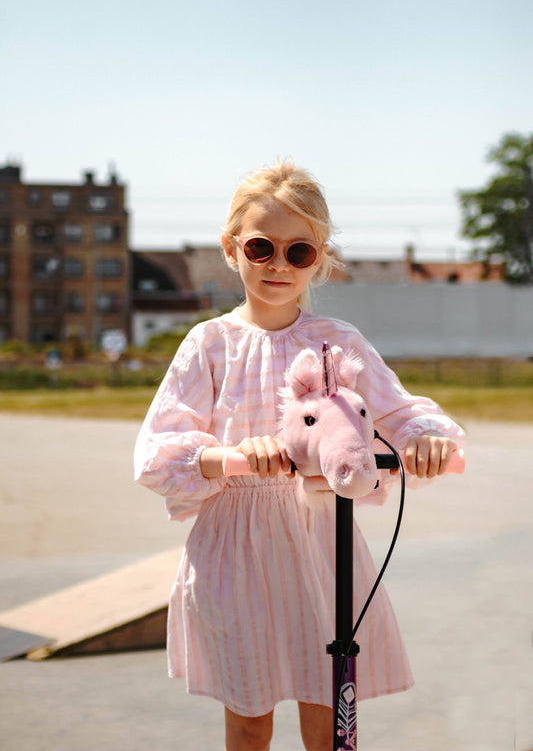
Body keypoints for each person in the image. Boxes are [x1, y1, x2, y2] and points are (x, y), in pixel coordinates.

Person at [134, 160, 465, 751]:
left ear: (320, 255)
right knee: (249, 718)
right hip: (234, 548)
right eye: (262, 248)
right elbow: (156, 453)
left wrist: (426, 438)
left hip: (322, 544)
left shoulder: (337, 341)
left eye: (299, 252)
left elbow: (398, 410)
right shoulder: (210, 344)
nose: (278, 266)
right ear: (232, 249)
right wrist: (225, 456)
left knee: (327, 711)